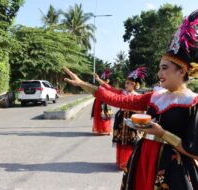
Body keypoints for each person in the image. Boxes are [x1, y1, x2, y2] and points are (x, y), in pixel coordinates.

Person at [63, 10, 198, 189]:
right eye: (159, 69)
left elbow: (194, 151)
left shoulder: (193, 102)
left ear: (181, 71)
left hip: (171, 168)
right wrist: (84, 85)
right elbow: (119, 100)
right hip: (142, 158)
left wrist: (162, 134)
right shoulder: (154, 97)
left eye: (164, 68)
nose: (159, 74)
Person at [111, 67, 147, 170]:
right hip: (121, 118)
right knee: (122, 140)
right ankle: (121, 161)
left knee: (131, 140)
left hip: (132, 120)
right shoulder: (122, 94)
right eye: (126, 83)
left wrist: (130, 109)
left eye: (128, 83)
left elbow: (141, 111)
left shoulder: (138, 96)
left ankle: (129, 162)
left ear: (134, 84)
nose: (126, 85)